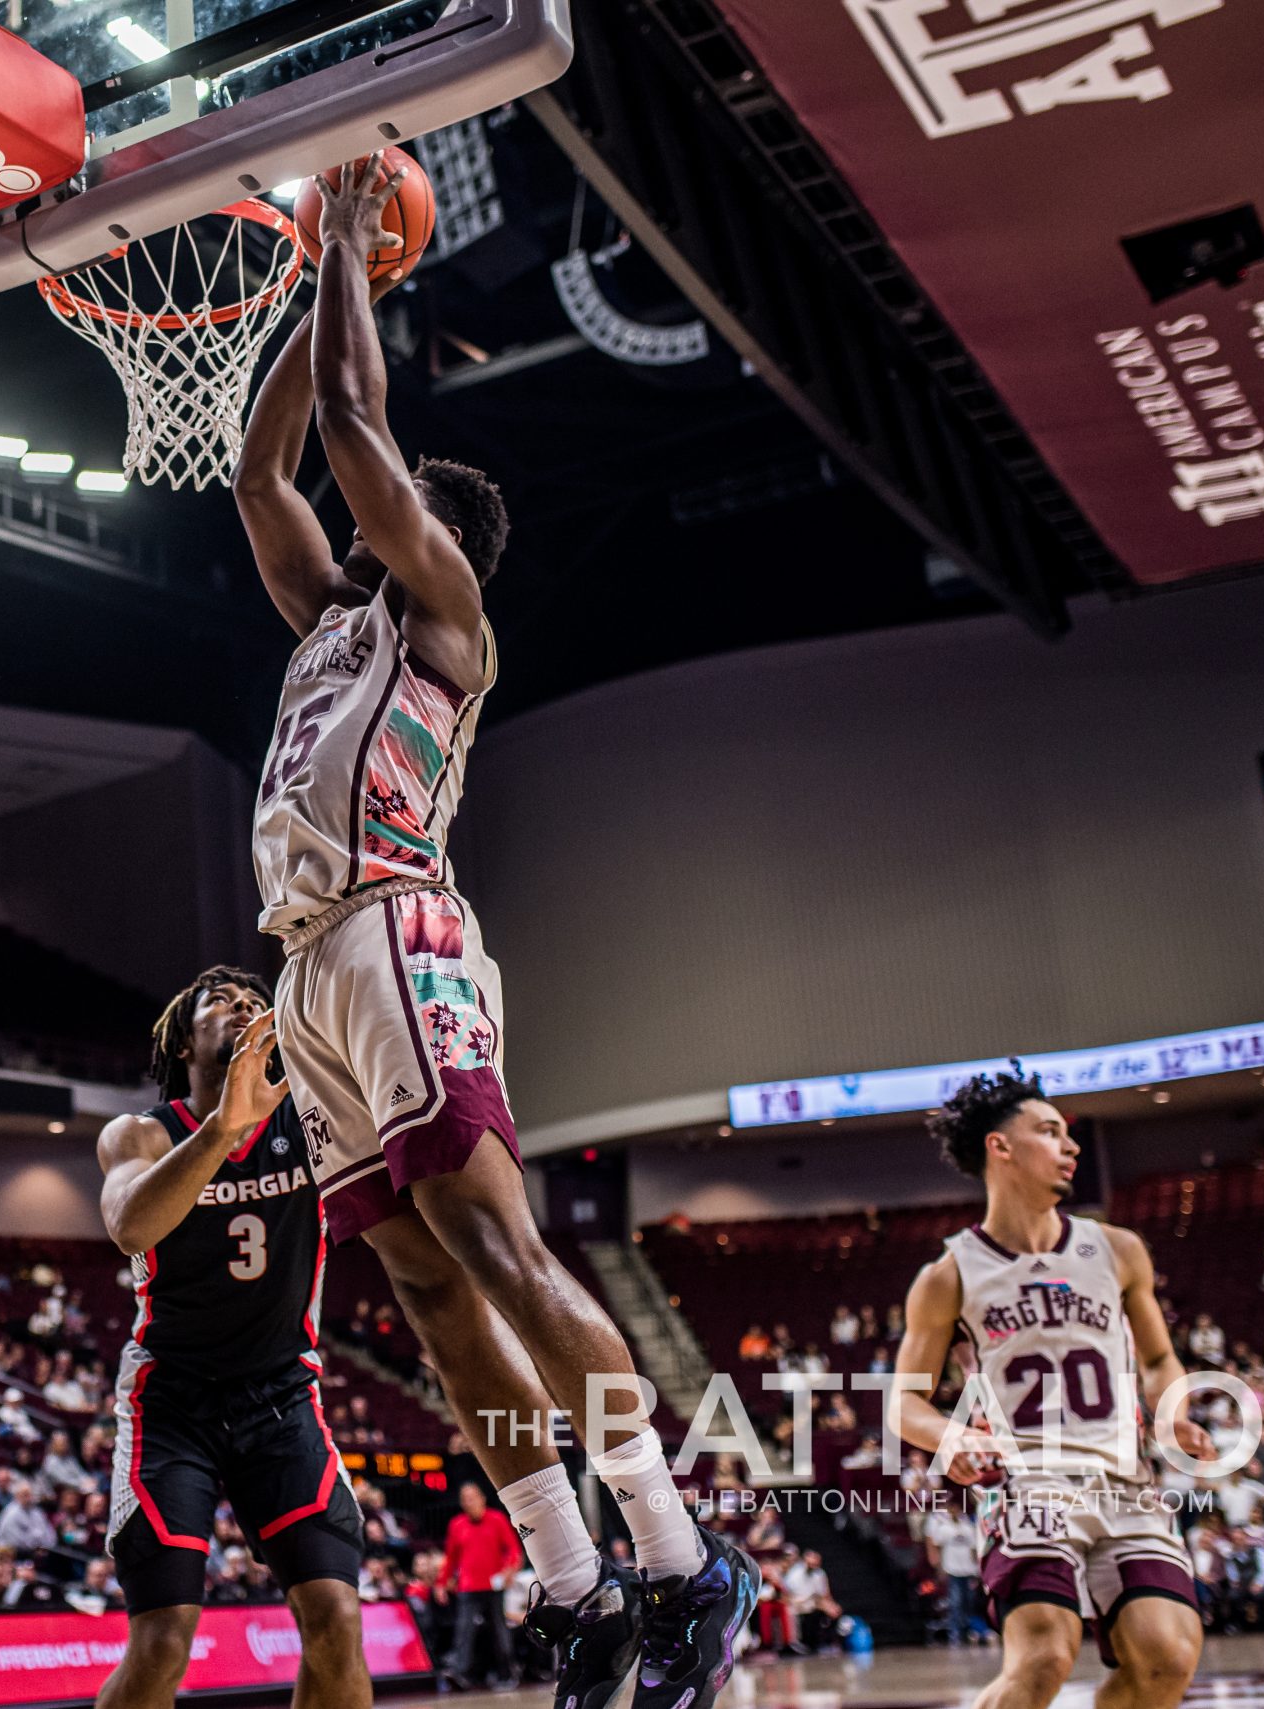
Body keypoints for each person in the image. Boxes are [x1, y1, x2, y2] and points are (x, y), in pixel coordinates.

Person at [233, 155, 752, 1709]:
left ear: (425, 532)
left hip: (402, 929)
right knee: (427, 1286)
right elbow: (269, 480)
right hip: (311, 960)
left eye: (381, 503)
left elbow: (345, 429)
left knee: (502, 1249)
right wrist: (289, 303)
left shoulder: (445, 613)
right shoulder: (331, 626)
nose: (353, 507)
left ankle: (678, 1557)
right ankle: (577, 1585)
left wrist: (342, 258)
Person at [91, 966, 369, 1709]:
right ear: (185, 1037)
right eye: (225, 1002)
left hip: (281, 1397)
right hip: (170, 1403)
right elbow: (130, 1226)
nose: (247, 1008)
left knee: (337, 1618)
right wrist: (223, 1130)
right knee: (163, 1638)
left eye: (256, 1000)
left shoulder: (309, 1120)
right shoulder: (140, 1132)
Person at [887, 1069, 1206, 1709]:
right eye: (1051, 1132)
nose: (1071, 1147)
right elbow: (904, 1402)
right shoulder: (950, 1273)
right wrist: (950, 1436)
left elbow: (1161, 1358)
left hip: (1124, 1479)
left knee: (1167, 1658)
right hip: (1026, 1479)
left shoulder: (1117, 1249)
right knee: (1042, 1660)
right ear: (1000, 1148)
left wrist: (1172, 1409)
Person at [440, 1483, 524, 1691]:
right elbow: (451, 1558)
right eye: (465, 1499)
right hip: (468, 1586)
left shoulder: (497, 1519)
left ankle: (507, 1673)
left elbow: (513, 1550)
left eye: (472, 1497)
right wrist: (442, 1582)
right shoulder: (457, 1524)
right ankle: (461, 1675)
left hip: (494, 1586)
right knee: (464, 1630)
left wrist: (509, 1570)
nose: (469, 1503)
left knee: (499, 1630)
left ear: (482, 1498)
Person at [924, 1504, 985, 1645]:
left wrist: (977, 1569)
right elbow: (936, 1546)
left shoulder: (968, 1527)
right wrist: (939, 1567)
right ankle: (955, 1632)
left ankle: (969, 1630)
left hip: (968, 1570)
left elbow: (974, 1549)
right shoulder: (944, 1528)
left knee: (969, 1601)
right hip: (952, 1569)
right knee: (955, 1602)